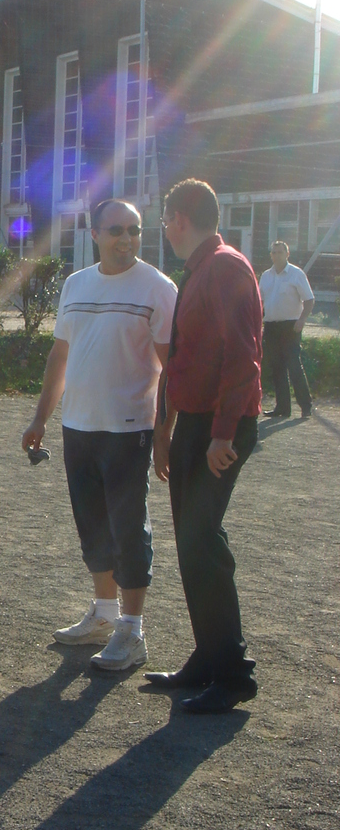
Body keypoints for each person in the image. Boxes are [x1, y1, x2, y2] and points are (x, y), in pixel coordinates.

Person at [21, 199, 177, 672]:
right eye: (116, 230)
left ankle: (132, 629)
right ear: (94, 234)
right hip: (78, 426)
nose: (126, 238)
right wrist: (40, 418)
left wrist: (164, 434)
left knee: (129, 528)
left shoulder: (157, 287)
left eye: (134, 229)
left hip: (129, 429)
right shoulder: (76, 284)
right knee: (91, 525)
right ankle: (104, 613)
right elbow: (60, 356)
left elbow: (173, 369)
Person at [148, 179, 262, 714]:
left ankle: (233, 675)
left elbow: (243, 357)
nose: (164, 229)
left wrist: (222, 433)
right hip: (197, 424)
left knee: (202, 542)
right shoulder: (199, 270)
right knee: (193, 544)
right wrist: (165, 429)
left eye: (165, 219)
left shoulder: (225, 268)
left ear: (179, 219)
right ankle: (210, 657)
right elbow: (182, 362)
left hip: (219, 427)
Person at [258, 240, 314, 419]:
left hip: (291, 326)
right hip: (271, 325)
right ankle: (282, 407)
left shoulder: (296, 274)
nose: (276, 255)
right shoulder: (266, 276)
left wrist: (302, 320)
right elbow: (260, 302)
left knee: (294, 365)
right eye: (274, 252)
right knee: (277, 367)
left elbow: (309, 299)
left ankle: (305, 406)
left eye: (280, 252)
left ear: (287, 254)